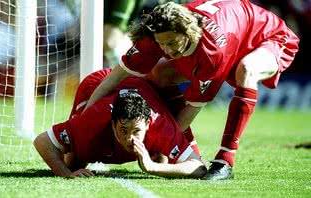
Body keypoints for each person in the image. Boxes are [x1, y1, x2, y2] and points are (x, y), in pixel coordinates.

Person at [82, 0, 300, 180]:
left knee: (247, 69)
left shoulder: (211, 53)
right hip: (233, 33)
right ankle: (186, 144)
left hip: (269, 37)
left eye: (171, 43)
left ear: (186, 32)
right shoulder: (155, 37)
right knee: (160, 74)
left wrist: (158, 146)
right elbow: (115, 77)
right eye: (161, 44)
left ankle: (225, 161)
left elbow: (191, 110)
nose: (166, 49)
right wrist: (86, 120)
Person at [33, 69, 206, 178]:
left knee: (166, 160)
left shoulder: (161, 126)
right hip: (99, 83)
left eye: (136, 131)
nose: (130, 138)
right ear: (113, 124)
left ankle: (156, 151)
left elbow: (198, 168)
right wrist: (67, 174)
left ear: (148, 124)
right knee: (74, 162)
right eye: (123, 130)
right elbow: (42, 142)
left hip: (146, 86)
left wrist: (153, 167)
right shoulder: (92, 122)